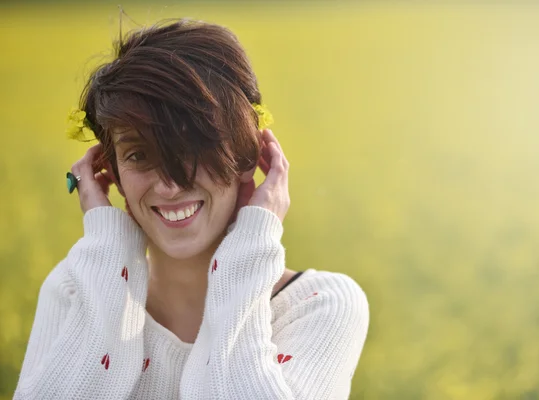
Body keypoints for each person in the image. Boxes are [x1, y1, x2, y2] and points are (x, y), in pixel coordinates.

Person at [15, 19, 369, 400]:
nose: (169, 185)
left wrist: (253, 239)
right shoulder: (73, 289)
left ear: (249, 157)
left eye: (194, 147)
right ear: (111, 171)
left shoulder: (318, 306)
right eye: (138, 155)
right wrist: (109, 249)